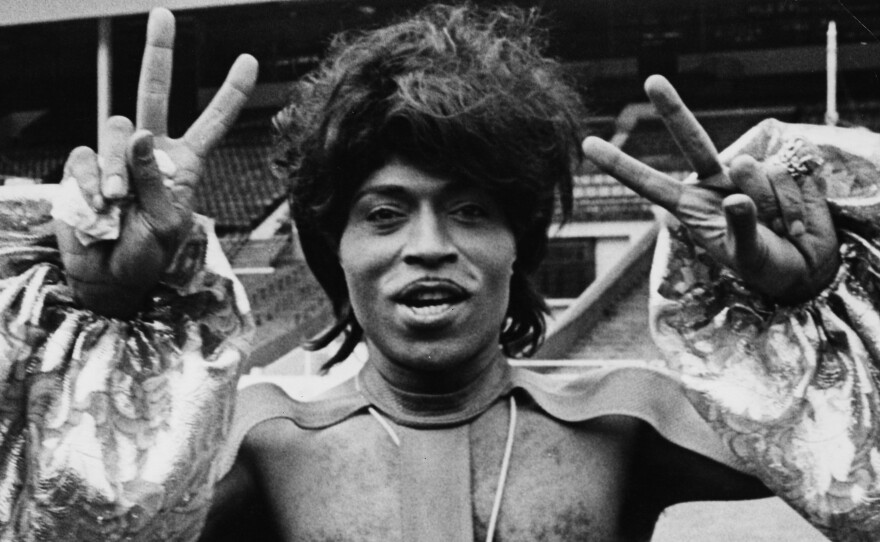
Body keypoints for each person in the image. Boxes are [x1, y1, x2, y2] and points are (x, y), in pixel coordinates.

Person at [2, 4, 878, 542]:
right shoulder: (255, 440)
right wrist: (106, 321)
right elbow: (60, 519)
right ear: (330, 250)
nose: (428, 245)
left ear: (520, 245)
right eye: (384, 213)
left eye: (471, 210)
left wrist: (812, 300)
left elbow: (862, 485)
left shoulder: (629, 419)